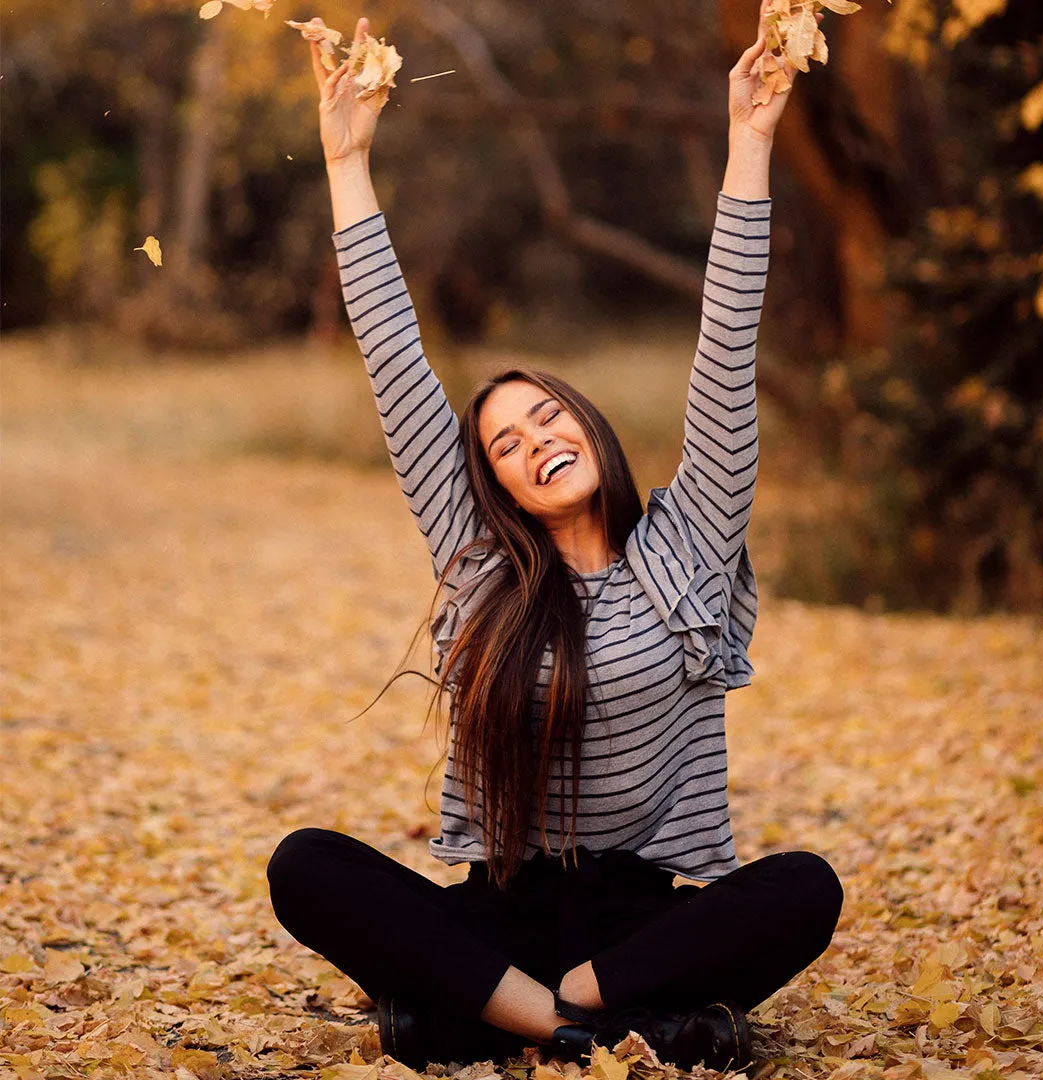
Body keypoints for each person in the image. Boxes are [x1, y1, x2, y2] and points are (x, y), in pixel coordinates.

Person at [267, 3, 843, 1072]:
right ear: (489, 486)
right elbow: (396, 362)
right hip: (501, 916)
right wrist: (347, 160)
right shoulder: (482, 566)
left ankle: (512, 1014)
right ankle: (614, 1029)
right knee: (305, 865)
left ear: (589, 427)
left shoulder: (690, 547)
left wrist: (751, 143)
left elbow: (725, 356)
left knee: (805, 888)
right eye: (504, 446)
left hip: (638, 918)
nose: (534, 444)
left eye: (549, 417)